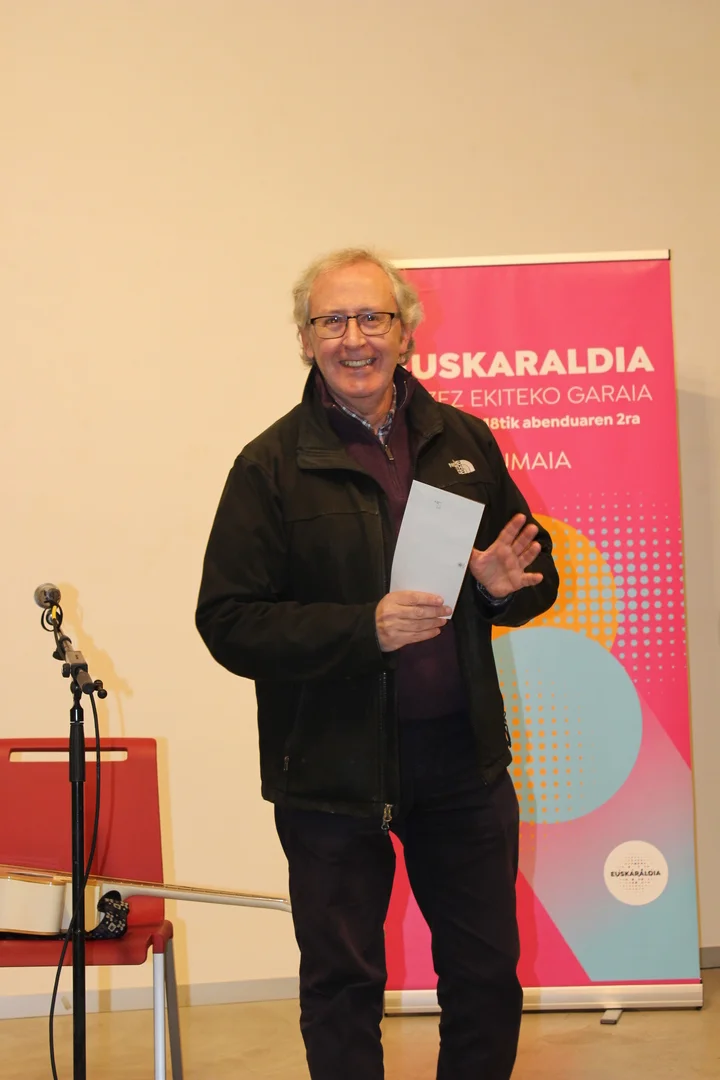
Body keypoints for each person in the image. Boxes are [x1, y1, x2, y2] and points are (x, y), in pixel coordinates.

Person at [196, 248, 559, 1080]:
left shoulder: (463, 441)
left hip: (461, 764)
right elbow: (229, 622)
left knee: (484, 980)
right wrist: (365, 629)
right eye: (332, 321)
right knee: (342, 986)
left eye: (372, 318)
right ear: (305, 338)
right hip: (330, 771)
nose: (353, 339)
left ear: (405, 332)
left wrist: (500, 591)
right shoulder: (269, 466)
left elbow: (527, 577)